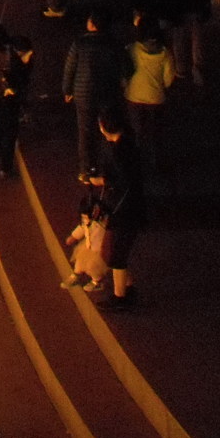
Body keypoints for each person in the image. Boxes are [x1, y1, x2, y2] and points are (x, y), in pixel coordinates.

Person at [90, 108, 144, 309]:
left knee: (116, 254)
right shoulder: (128, 145)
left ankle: (120, 297)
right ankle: (127, 288)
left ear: (104, 126)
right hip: (131, 207)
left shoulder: (118, 151)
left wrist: (101, 180)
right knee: (115, 251)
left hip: (123, 210)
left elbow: (121, 180)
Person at [62, 8, 124, 179]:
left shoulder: (79, 43)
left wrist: (67, 90)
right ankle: (109, 168)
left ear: (91, 24)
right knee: (108, 129)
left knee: (85, 132)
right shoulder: (113, 43)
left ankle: (86, 169)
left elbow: (70, 68)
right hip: (107, 92)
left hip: (83, 94)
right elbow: (125, 67)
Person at [122, 13, 174, 169]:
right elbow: (169, 78)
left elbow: (124, 72)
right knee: (155, 134)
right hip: (156, 98)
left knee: (137, 132)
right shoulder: (165, 53)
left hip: (134, 97)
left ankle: (137, 161)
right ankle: (155, 162)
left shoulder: (131, 49)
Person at [0, 35, 35, 178]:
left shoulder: (1, 56)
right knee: (7, 132)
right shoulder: (11, 61)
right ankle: (2, 168)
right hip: (3, 98)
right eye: (28, 54)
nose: (30, 58)